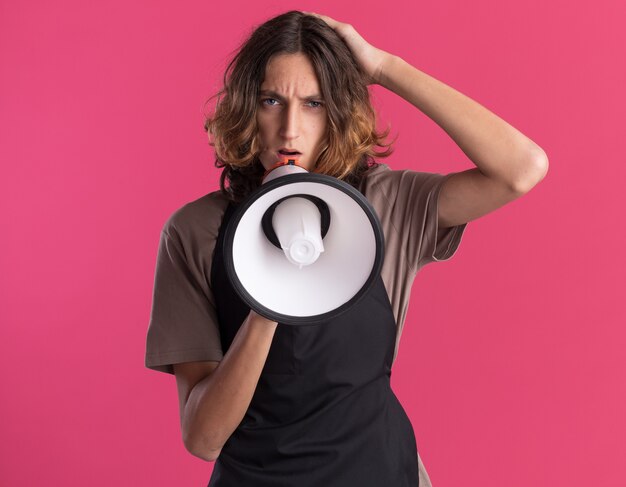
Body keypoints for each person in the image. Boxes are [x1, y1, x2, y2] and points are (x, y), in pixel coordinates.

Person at [145, 10, 548, 487]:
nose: (290, 130)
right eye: (271, 100)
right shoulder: (196, 231)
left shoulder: (385, 205)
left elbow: (522, 167)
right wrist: (269, 303)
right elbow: (204, 438)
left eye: (314, 103)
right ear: (245, 108)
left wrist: (382, 68)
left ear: (337, 113)